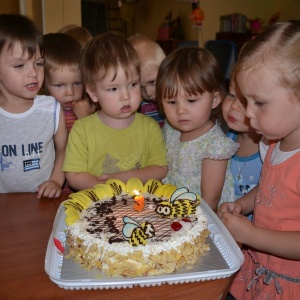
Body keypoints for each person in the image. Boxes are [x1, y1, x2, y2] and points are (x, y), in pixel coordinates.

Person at [217, 21, 300, 299]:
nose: (248, 113)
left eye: (259, 103)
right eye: (244, 100)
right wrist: (242, 205)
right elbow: (268, 188)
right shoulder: (272, 143)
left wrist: (251, 234)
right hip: (260, 272)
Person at [62, 33, 168, 191]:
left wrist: (120, 179)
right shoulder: (82, 130)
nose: (125, 96)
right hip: (97, 207)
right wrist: (105, 188)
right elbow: (73, 175)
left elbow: (160, 169)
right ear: (93, 93)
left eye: (132, 84)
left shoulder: (150, 127)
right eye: (113, 88)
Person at [156, 47, 239, 210]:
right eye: (172, 102)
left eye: (191, 100)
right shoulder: (171, 130)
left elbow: (210, 200)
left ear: (214, 100)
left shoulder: (215, 146)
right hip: (170, 210)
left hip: (200, 218)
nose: (180, 110)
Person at [0, 14, 68, 198]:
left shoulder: (51, 109)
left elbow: (63, 150)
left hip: (42, 202)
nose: (33, 73)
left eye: (38, 63)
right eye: (19, 65)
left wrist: (55, 181)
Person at [222, 68, 262, 220]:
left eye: (244, 102)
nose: (234, 106)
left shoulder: (270, 152)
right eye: (231, 95)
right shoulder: (225, 141)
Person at [43, 33, 96, 133]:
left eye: (77, 83)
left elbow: (97, 144)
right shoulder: (42, 113)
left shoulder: (90, 108)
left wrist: (85, 117)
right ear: (43, 83)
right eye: (59, 85)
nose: (70, 92)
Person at [128, 33, 165, 127]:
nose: (148, 93)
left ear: (165, 69)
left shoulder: (179, 96)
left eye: (152, 82)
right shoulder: (137, 108)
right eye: (140, 87)